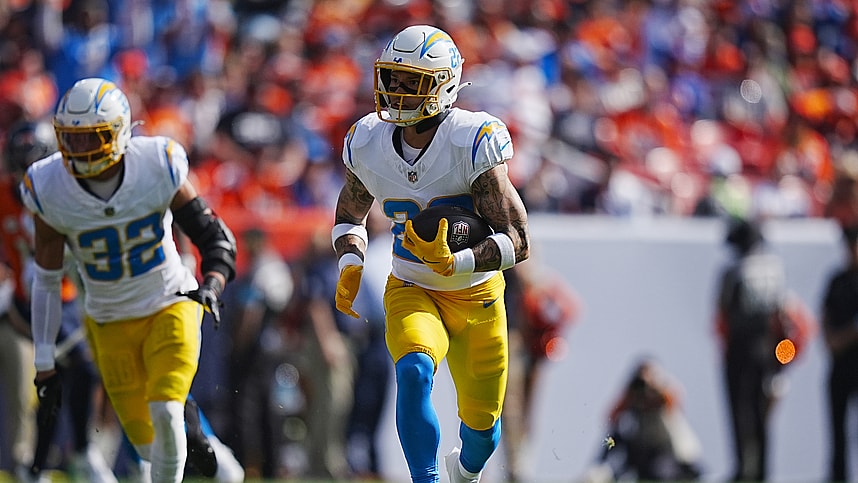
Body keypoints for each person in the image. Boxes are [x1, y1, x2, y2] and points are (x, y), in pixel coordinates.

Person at [332, 25, 530, 483]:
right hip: (412, 287)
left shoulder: (472, 140)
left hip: (478, 297)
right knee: (415, 371)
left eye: (410, 82)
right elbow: (349, 217)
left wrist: (457, 261)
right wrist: (350, 262)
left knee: (483, 432)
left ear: (442, 85)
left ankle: (465, 471)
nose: (394, 91)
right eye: (391, 78)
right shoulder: (368, 141)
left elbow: (519, 240)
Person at [18, 78, 237, 483]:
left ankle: (195, 438)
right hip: (109, 320)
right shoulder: (49, 186)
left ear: (119, 132)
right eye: (73, 140)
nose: (81, 151)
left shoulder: (155, 163)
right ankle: (219, 459)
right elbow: (46, 279)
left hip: (169, 300)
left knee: (167, 408)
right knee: (150, 445)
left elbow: (213, 236)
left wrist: (212, 283)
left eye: (92, 139)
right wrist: (44, 361)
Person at [1, 119, 117, 483]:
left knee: (67, 377)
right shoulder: (4, 198)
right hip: (26, 305)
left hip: (68, 299)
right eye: (18, 166)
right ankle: (71, 455)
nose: (23, 176)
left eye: (29, 166)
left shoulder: (66, 193)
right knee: (61, 377)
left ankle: (48, 461)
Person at [714, 218, 791, 482]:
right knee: (761, 413)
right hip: (766, 349)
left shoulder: (733, 271)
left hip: (740, 350)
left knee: (739, 411)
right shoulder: (774, 268)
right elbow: (783, 319)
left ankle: (742, 468)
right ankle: (762, 470)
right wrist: (782, 361)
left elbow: (722, 312)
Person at [582, 357, 703, 482]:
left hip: (663, 450)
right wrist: (630, 396)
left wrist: (657, 389)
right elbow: (610, 418)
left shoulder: (664, 393)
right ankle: (599, 470)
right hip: (639, 450)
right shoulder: (632, 395)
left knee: (662, 471)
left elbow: (675, 405)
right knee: (613, 436)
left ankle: (686, 473)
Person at [820, 224, 858, 482]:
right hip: (840, 366)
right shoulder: (838, 280)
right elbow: (824, 314)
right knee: (837, 429)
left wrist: (843, 338)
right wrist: (832, 340)